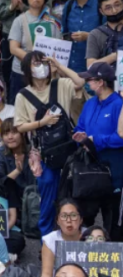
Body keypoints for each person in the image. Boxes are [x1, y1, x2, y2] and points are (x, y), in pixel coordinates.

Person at [13, 52, 85, 234]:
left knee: (72, 193)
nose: (41, 67)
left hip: (68, 148)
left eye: (43, 63)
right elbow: (20, 126)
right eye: (36, 64)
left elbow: (80, 82)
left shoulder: (60, 84)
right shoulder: (23, 95)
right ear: (27, 69)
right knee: (47, 194)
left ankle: (72, 236)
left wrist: (58, 67)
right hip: (43, 152)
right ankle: (46, 237)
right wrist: (42, 123)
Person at [74, 61, 123, 239]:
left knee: (113, 222)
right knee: (86, 218)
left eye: (90, 79)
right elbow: (79, 127)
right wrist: (79, 136)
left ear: (101, 82)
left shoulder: (119, 104)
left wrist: (97, 140)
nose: (87, 82)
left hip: (113, 174)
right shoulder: (90, 104)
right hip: (89, 172)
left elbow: (121, 137)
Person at [41, 200, 84, 277]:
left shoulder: (91, 235)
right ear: (57, 221)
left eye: (73, 215)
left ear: (81, 219)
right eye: (64, 216)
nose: (69, 220)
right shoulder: (50, 240)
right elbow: (46, 274)